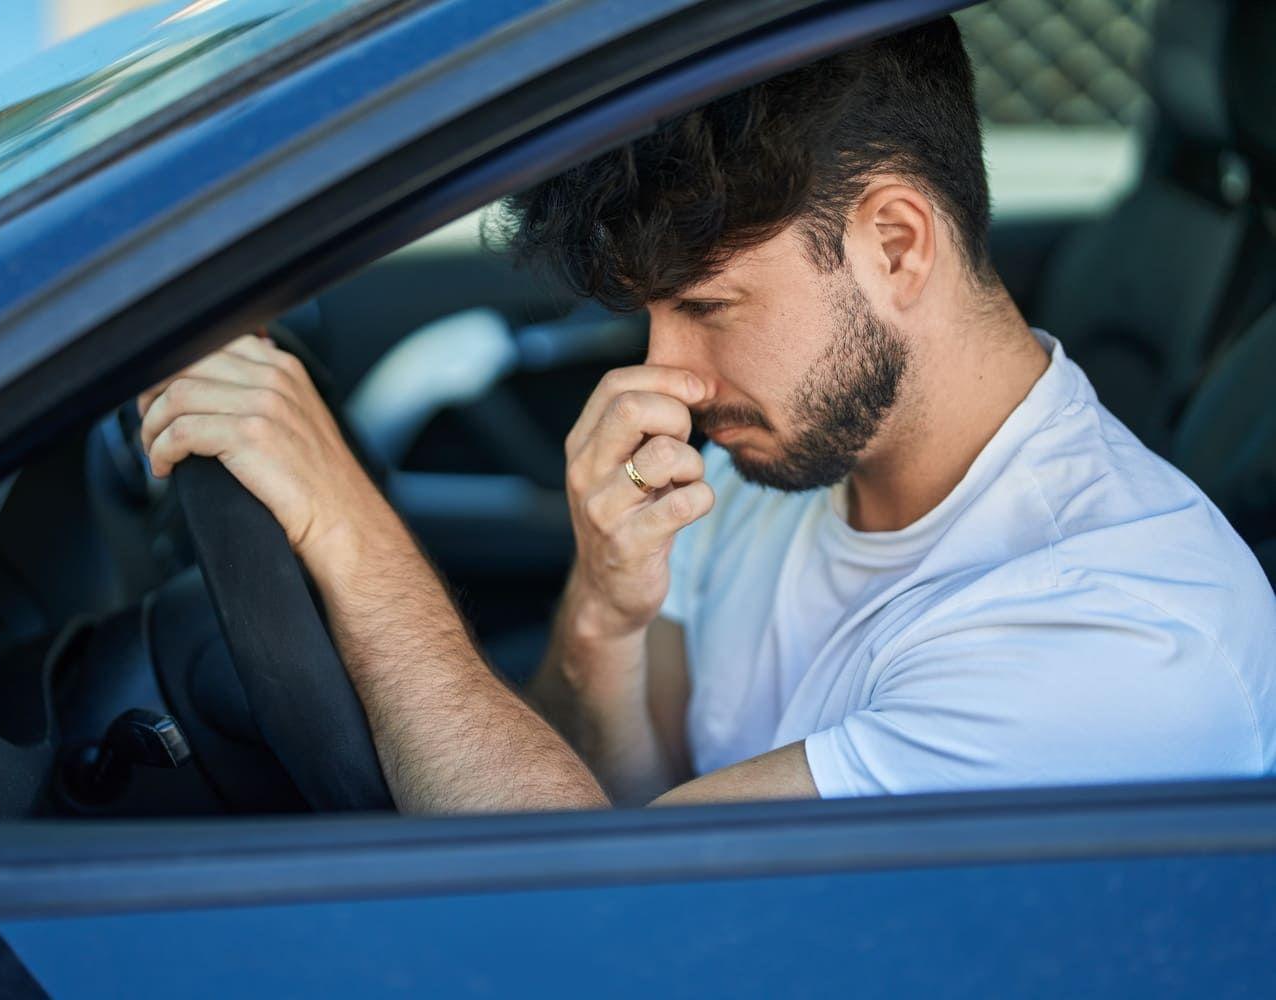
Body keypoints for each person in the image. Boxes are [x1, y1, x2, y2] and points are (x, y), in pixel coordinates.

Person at [136, 18, 1276, 812]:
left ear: (895, 244)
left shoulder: (1115, 639)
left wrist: (349, 533)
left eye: (707, 308)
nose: (667, 377)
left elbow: (591, 925)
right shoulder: (779, 462)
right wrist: (605, 615)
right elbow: (627, 789)